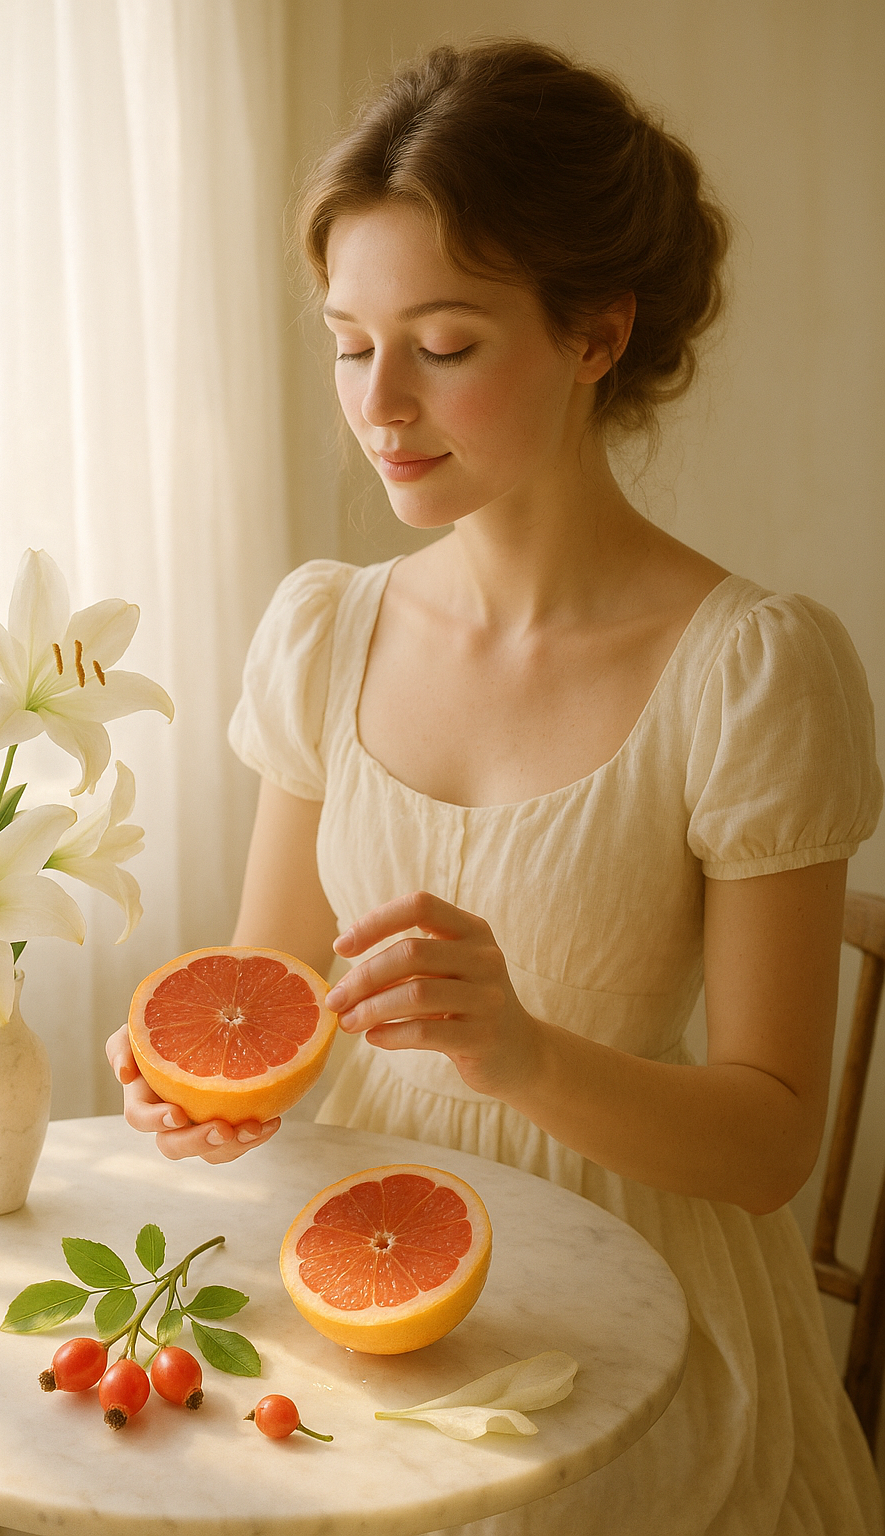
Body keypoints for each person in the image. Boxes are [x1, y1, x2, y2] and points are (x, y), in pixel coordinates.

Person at [107, 38, 884, 1535]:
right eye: (348, 342)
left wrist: (522, 1051)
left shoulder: (755, 668)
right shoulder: (326, 626)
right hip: (331, 1267)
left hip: (628, 1312)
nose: (380, 402)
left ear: (599, 331)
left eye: (444, 345)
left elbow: (775, 1136)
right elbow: (270, 970)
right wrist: (210, 1085)